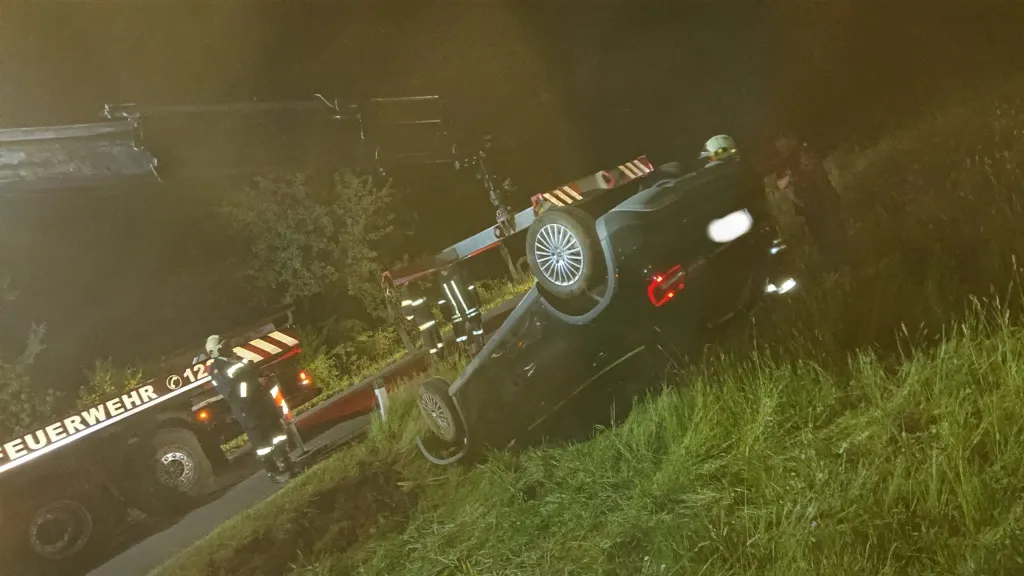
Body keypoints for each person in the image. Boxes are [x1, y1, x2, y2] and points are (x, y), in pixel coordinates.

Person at [205, 334, 295, 483]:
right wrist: (256, 383)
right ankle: (274, 472)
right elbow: (235, 391)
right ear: (215, 351)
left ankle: (287, 463)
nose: (229, 347)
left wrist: (263, 377)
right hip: (247, 409)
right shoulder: (217, 369)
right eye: (224, 346)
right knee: (262, 443)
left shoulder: (235, 358)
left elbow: (250, 373)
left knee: (277, 433)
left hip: (261, 402)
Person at [771, 133, 851, 270]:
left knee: (836, 232)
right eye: (777, 142)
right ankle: (836, 266)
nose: (780, 144)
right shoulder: (784, 162)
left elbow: (816, 173)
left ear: (790, 139)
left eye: (782, 140)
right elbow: (781, 184)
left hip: (822, 199)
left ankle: (848, 261)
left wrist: (794, 177)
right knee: (821, 237)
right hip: (808, 207)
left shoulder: (803, 152)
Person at [437, 265, 484, 355]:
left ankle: (481, 345)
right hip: (455, 313)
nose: (443, 271)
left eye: (444, 268)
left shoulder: (458, 274)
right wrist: (446, 314)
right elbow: (442, 301)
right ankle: (465, 352)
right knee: (460, 334)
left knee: (477, 327)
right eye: (441, 269)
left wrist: (476, 301)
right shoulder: (440, 283)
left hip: (469, 307)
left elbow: (470, 287)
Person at [399, 282, 445, 356]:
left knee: (430, 342)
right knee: (437, 338)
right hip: (429, 317)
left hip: (422, 322)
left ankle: (440, 358)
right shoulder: (416, 285)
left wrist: (413, 323)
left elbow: (407, 312)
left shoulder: (405, 292)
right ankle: (443, 355)